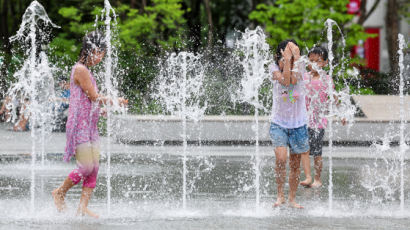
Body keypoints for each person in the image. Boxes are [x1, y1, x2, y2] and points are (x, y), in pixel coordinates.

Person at [52, 30, 127, 218]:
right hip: (79, 126)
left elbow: (88, 101)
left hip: (89, 125)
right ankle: (59, 192)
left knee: (94, 167)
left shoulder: (86, 71)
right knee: (86, 167)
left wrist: (99, 110)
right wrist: (114, 100)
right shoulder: (80, 70)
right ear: (92, 50)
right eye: (100, 53)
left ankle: (82, 207)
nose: (101, 58)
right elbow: (94, 96)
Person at [269, 39, 308, 209]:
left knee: (295, 164)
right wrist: (286, 59)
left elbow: (294, 79)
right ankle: (280, 195)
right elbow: (285, 81)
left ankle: (292, 198)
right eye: (285, 54)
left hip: (298, 124)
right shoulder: (274, 68)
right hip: (279, 123)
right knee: (280, 158)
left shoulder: (301, 66)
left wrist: (296, 57)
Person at [300, 46, 345, 188]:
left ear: (325, 63)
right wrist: (290, 99)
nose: (313, 64)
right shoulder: (303, 77)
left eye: (318, 61)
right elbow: (294, 93)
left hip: (319, 122)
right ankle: (308, 177)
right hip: (303, 120)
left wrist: (341, 113)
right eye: (311, 60)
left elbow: (334, 98)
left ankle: (317, 179)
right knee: (304, 150)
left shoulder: (326, 79)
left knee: (317, 153)